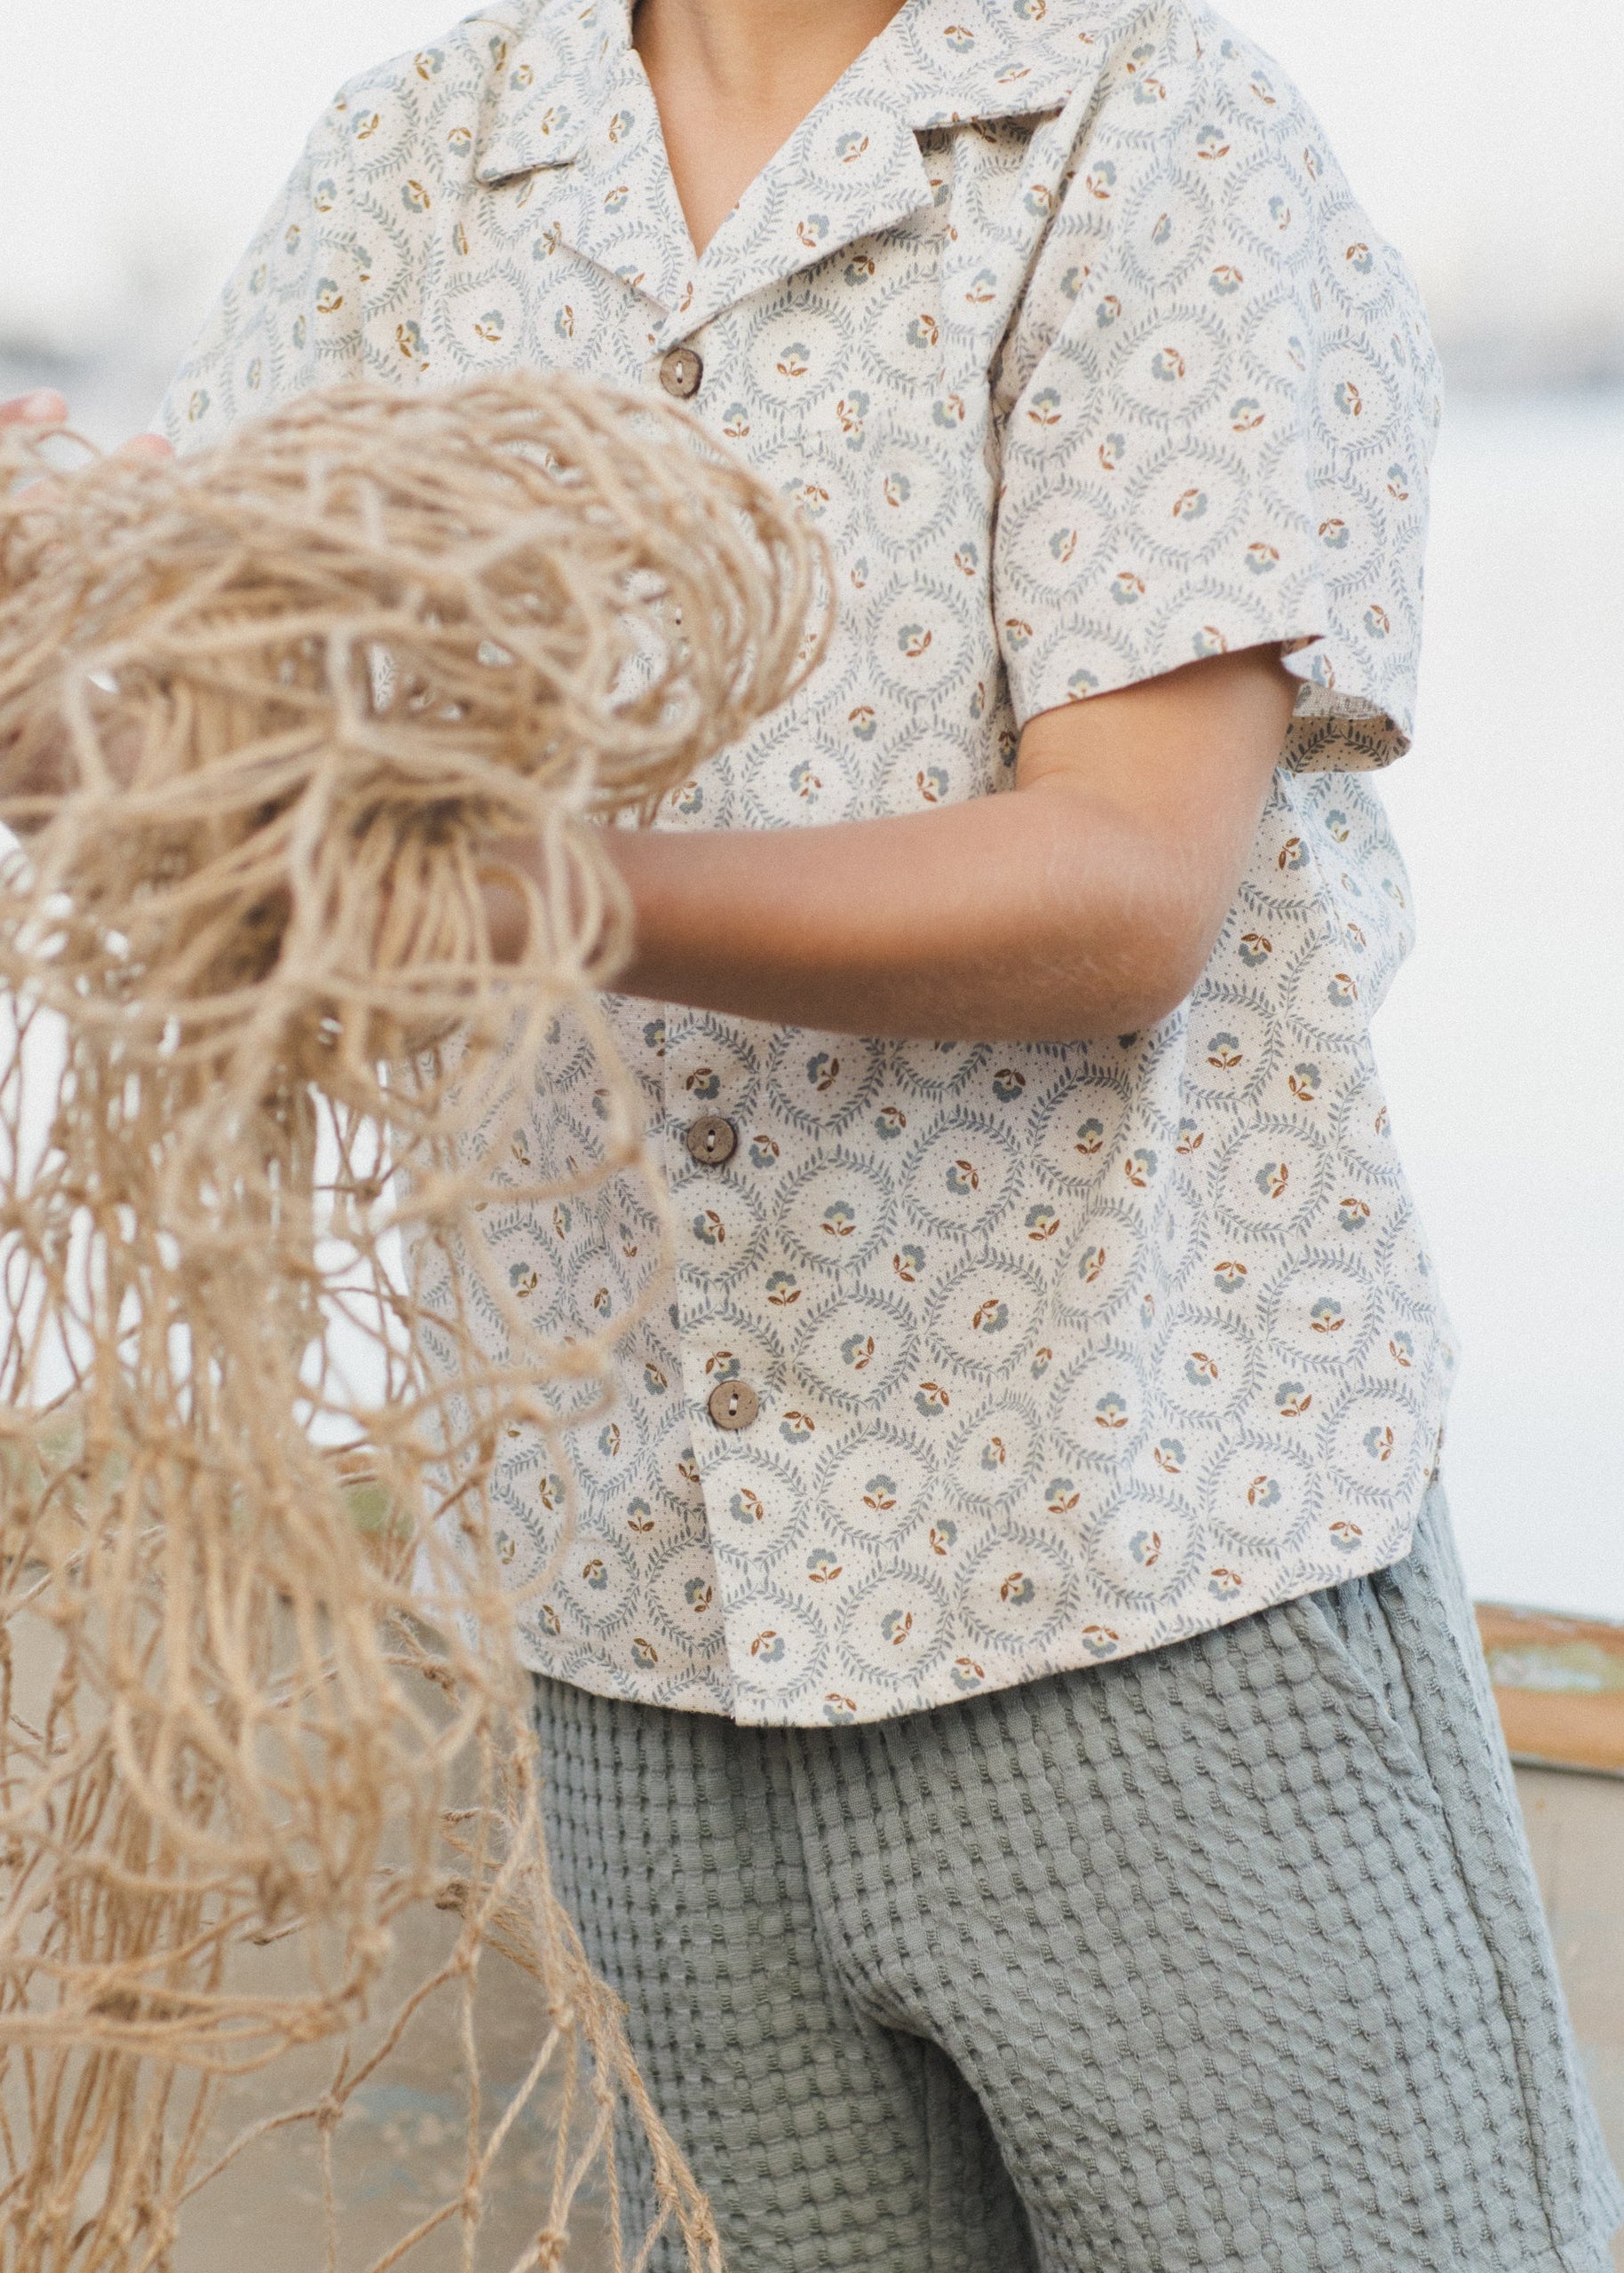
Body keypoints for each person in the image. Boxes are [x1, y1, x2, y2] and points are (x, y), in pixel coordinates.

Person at [9, 0, 1620, 2264]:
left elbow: (1123, 890)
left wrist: (522, 895)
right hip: (629, 1648)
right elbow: (268, 784)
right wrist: (65, 685)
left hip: (1147, 1600)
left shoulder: (1146, 124)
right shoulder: (423, 154)